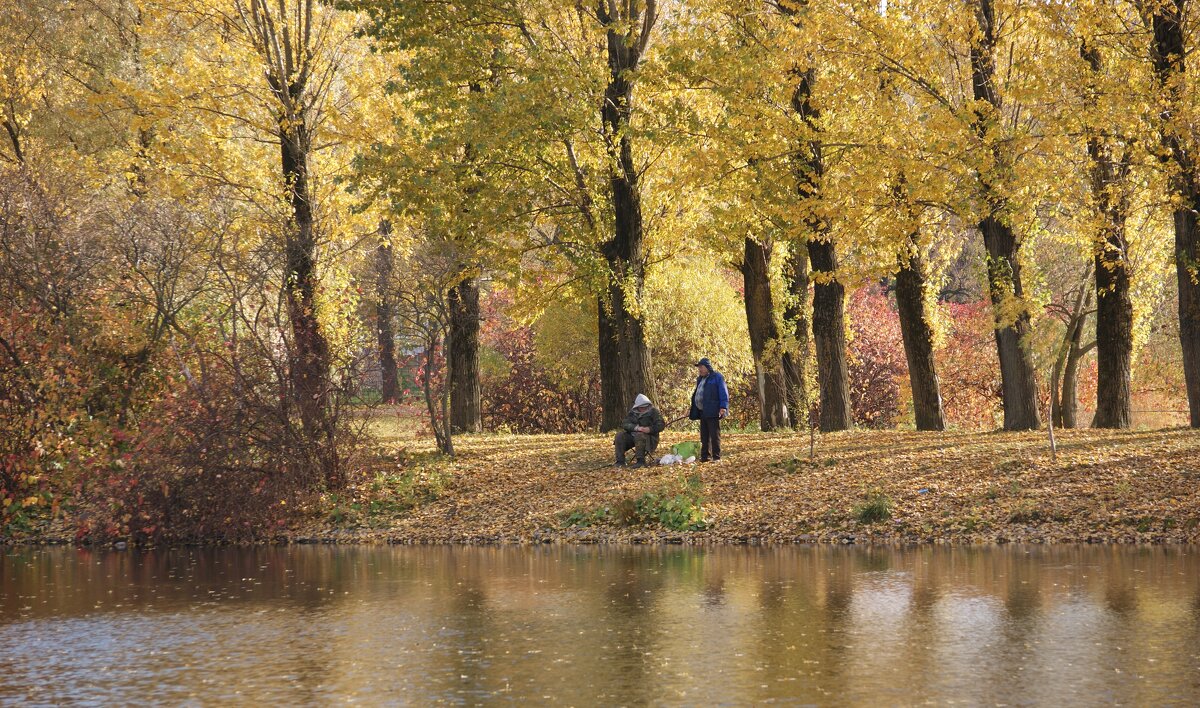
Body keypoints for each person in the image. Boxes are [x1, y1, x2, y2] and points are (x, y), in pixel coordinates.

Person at [688, 357, 728, 462]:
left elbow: (723, 392)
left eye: (701, 367)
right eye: (699, 367)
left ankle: (716, 457)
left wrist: (723, 407)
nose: (699, 369)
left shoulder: (717, 377)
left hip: (713, 410)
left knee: (714, 435)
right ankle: (705, 456)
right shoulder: (700, 379)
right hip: (703, 411)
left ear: (707, 367)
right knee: (704, 435)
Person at [614, 393, 666, 468]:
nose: (643, 409)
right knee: (619, 435)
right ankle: (620, 461)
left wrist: (649, 429)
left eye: (645, 407)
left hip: (649, 438)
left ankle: (641, 461)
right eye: (641, 407)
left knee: (639, 435)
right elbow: (625, 424)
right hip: (632, 437)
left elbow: (661, 424)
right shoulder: (632, 413)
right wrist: (636, 428)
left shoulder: (654, 412)